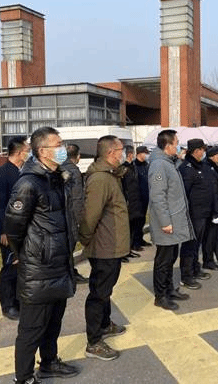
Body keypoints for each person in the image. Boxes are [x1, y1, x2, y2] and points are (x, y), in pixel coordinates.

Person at [4, 127, 79, 383]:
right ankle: (23, 377)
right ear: (43, 151)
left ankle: (49, 363)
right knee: (32, 328)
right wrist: (25, 253)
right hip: (39, 266)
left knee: (53, 321)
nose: (63, 148)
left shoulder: (57, 178)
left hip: (60, 263)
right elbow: (14, 227)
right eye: (58, 145)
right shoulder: (28, 183)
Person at [79, 135, 130, 361]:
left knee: (106, 290)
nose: (123, 153)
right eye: (121, 149)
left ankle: (104, 324)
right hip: (104, 246)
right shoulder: (100, 179)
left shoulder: (110, 175)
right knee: (99, 294)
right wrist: (85, 238)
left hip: (112, 244)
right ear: (111, 153)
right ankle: (94, 341)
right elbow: (90, 215)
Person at [148, 130, 194, 310]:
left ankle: (169, 289)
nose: (179, 146)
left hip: (174, 220)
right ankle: (160, 296)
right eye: (176, 143)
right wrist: (165, 222)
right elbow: (158, 196)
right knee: (163, 260)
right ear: (168, 146)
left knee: (171, 257)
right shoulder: (159, 165)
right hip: (167, 222)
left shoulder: (168, 162)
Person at [0, 136, 30, 320]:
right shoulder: (0, 174)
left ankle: (20, 301)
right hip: (8, 231)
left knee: (22, 267)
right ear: (20, 152)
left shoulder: (24, 172)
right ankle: (8, 305)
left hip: (24, 230)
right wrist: (4, 230)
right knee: (10, 268)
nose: (29, 154)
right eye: (27, 150)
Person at [178, 139, 213, 290]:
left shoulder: (201, 166)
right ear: (196, 151)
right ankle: (186, 275)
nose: (204, 152)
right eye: (202, 150)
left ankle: (195, 268)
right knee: (189, 245)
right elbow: (184, 193)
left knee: (197, 244)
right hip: (193, 213)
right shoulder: (186, 168)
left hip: (203, 212)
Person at [62, 143, 89, 284]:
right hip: (71, 215)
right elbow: (77, 198)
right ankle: (70, 275)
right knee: (70, 246)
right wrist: (80, 220)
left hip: (60, 214)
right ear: (78, 156)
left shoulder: (59, 168)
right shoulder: (74, 171)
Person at [121, 145, 144, 260]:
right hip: (129, 201)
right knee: (127, 228)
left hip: (135, 200)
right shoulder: (123, 168)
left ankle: (130, 248)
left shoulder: (132, 167)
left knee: (134, 226)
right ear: (130, 154)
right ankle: (125, 251)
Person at [134, 146, 151, 247]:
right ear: (139, 154)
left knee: (142, 219)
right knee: (137, 220)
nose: (146, 155)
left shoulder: (146, 165)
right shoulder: (134, 166)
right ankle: (135, 241)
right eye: (145, 153)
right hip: (137, 197)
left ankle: (140, 239)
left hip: (145, 197)